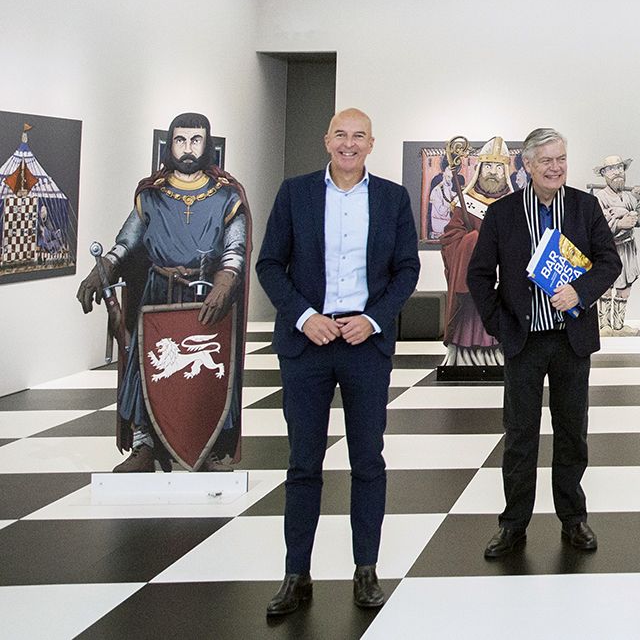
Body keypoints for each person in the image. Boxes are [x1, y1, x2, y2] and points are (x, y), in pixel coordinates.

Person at [255, 108, 419, 616]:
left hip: (365, 345)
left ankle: (365, 570)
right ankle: (296, 574)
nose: (349, 144)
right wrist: (305, 316)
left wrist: (373, 319)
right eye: (341, 135)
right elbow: (268, 264)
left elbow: (407, 268)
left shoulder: (392, 198)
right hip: (308, 344)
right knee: (303, 463)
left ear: (373, 143)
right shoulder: (295, 193)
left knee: (368, 461)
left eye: (359, 136)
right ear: (327, 140)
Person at [467, 127, 621, 560]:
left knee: (573, 433)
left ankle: (573, 519)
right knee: (520, 435)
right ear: (528, 166)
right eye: (546, 161)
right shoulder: (503, 214)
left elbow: (608, 261)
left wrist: (581, 291)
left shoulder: (585, 206)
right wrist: (499, 323)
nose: (556, 168)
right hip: (524, 341)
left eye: (562, 159)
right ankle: (513, 525)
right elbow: (479, 276)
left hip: (571, 340)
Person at [77, 111, 250, 473]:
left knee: (212, 371)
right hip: (158, 293)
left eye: (196, 140)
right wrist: (103, 268)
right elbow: (126, 243)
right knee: (147, 366)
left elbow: (234, 248)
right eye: (181, 140)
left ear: (209, 145)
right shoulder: (152, 195)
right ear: (170, 144)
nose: (188, 148)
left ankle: (212, 447)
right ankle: (145, 446)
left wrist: (225, 281)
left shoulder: (227, 196)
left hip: (208, 296)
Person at [439, 137, 515, 368]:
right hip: (472, 279)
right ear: (479, 169)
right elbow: (450, 238)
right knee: (471, 315)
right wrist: (472, 242)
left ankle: (501, 354)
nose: (493, 172)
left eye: (498, 167)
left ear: (506, 171)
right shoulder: (465, 202)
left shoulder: (515, 203)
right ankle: (464, 357)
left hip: (503, 279)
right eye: (488, 166)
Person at [591, 155, 640, 336]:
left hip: (627, 248)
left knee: (624, 288)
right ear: (604, 173)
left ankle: (618, 325)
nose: (617, 173)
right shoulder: (599, 198)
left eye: (620, 168)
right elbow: (596, 227)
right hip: (608, 249)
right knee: (606, 287)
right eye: (612, 169)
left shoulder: (629, 197)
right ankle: (604, 325)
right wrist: (618, 223)